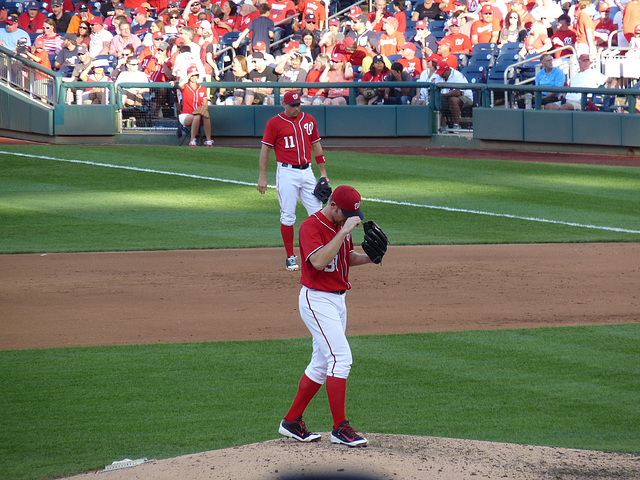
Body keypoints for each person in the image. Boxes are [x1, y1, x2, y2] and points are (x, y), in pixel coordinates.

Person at [278, 184, 373, 447]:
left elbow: (345, 257)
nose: (349, 219)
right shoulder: (311, 226)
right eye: (345, 214)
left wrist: (369, 258)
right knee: (341, 358)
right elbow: (318, 262)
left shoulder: (342, 227)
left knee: (321, 364)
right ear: (332, 206)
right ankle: (340, 428)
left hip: (338, 300)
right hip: (317, 300)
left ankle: (292, 421)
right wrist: (342, 232)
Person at [258, 90, 329, 271]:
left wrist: (323, 173)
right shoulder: (274, 123)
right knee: (288, 215)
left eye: (298, 105)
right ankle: (290, 255)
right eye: (292, 105)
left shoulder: (309, 120)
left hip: (307, 172)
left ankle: (318, 251)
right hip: (287, 173)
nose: (296, 108)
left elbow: (316, 146)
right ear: (284, 105)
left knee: (318, 213)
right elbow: (265, 150)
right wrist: (263, 176)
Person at [551, 53, 617, 110]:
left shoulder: (594, 73)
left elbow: (611, 80)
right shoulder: (576, 75)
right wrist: (564, 94)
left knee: (565, 107)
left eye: (587, 61)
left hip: (580, 101)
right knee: (550, 106)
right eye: (583, 61)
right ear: (579, 62)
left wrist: (613, 84)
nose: (585, 63)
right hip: (567, 99)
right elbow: (571, 87)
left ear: (589, 62)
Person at [178, 64, 214, 146]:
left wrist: (202, 110)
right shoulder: (185, 87)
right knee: (197, 116)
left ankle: (209, 141)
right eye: (192, 75)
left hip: (198, 113)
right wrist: (189, 75)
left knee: (205, 115)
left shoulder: (202, 88)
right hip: (186, 115)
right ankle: (192, 140)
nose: (194, 77)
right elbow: (180, 85)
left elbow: (205, 104)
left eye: (196, 75)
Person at [436, 60, 473, 129]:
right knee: (434, 100)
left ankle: (456, 125)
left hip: (465, 97)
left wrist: (442, 95)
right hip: (447, 97)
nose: (440, 75)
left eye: (442, 73)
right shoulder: (439, 76)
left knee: (453, 100)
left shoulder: (457, 75)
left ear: (447, 70)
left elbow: (458, 92)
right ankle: (443, 126)